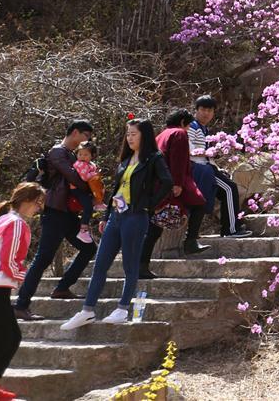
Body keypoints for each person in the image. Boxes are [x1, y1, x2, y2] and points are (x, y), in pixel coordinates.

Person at [60, 118, 172, 330]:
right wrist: (105, 215)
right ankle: (87, 310)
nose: (129, 138)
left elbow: (167, 182)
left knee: (130, 266)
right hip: (116, 216)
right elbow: (116, 189)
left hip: (135, 217)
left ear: (144, 136)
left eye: (134, 134)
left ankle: (122, 308)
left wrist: (148, 205)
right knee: (100, 264)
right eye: (128, 134)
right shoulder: (126, 158)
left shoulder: (154, 158)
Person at [15, 120, 96, 321]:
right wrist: (91, 186)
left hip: (67, 213)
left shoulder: (70, 154)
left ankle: (62, 287)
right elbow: (75, 178)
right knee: (43, 257)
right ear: (76, 132)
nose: (87, 141)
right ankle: (21, 304)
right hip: (54, 211)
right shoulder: (58, 152)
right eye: (86, 136)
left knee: (89, 248)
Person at [0, 182, 45, 400]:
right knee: (1, 342)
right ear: (27, 201)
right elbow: (8, 259)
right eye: (38, 203)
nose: (39, 208)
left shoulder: (5, 219)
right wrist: (22, 275)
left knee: (11, 338)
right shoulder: (16, 223)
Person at [139, 109, 209, 279]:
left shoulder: (161, 135)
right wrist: (177, 183)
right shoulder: (179, 133)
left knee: (154, 230)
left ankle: (142, 266)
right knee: (200, 203)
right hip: (173, 180)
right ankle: (190, 241)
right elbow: (178, 159)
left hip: (158, 184)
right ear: (184, 122)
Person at [187, 96, 252, 238]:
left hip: (206, 167)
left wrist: (215, 163)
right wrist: (210, 153)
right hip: (199, 168)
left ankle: (230, 227)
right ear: (196, 110)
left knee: (227, 189)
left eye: (210, 110)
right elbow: (189, 150)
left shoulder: (203, 129)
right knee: (229, 189)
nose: (206, 113)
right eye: (203, 109)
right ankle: (231, 229)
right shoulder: (193, 127)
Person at [69, 141, 105, 244]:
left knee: (99, 187)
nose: (82, 156)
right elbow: (84, 177)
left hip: (84, 188)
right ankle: (83, 229)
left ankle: (98, 202)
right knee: (88, 207)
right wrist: (94, 175)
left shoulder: (90, 164)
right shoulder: (79, 164)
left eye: (85, 154)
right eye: (80, 154)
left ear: (92, 155)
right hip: (77, 189)